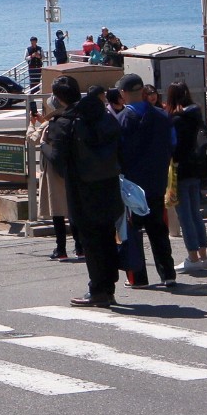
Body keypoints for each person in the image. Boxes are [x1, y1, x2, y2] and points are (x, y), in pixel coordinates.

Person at [44, 77, 123, 307]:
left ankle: (97, 289)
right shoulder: (100, 115)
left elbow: (58, 163)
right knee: (108, 235)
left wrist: (44, 146)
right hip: (108, 183)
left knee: (90, 241)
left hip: (82, 188)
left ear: (57, 98)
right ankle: (108, 287)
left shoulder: (63, 123)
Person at [114, 74, 178, 291]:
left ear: (123, 94)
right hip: (157, 180)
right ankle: (168, 273)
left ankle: (137, 276)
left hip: (131, 185)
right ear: (142, 91)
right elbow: (173, 143)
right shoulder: (162, 116)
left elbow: (116, 152)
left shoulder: (120, 120)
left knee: (132, 231)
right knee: (158, 228)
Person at [166, 81, 207, 273]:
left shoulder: (176, 120)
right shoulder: (196, 115)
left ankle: (192, 256)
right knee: (196, 213)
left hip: (181, 170)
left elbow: (173, 147)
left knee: (184, 215)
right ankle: (203, 255)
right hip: (197, 169)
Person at [33, 99, 72, 261]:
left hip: (53, 170)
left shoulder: (49, 125)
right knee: (72, 210)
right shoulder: (71, 121)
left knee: (57, 212)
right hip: (70, 168)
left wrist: (31, 124)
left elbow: (32, 138)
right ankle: (79, 247)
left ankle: (61, 249)